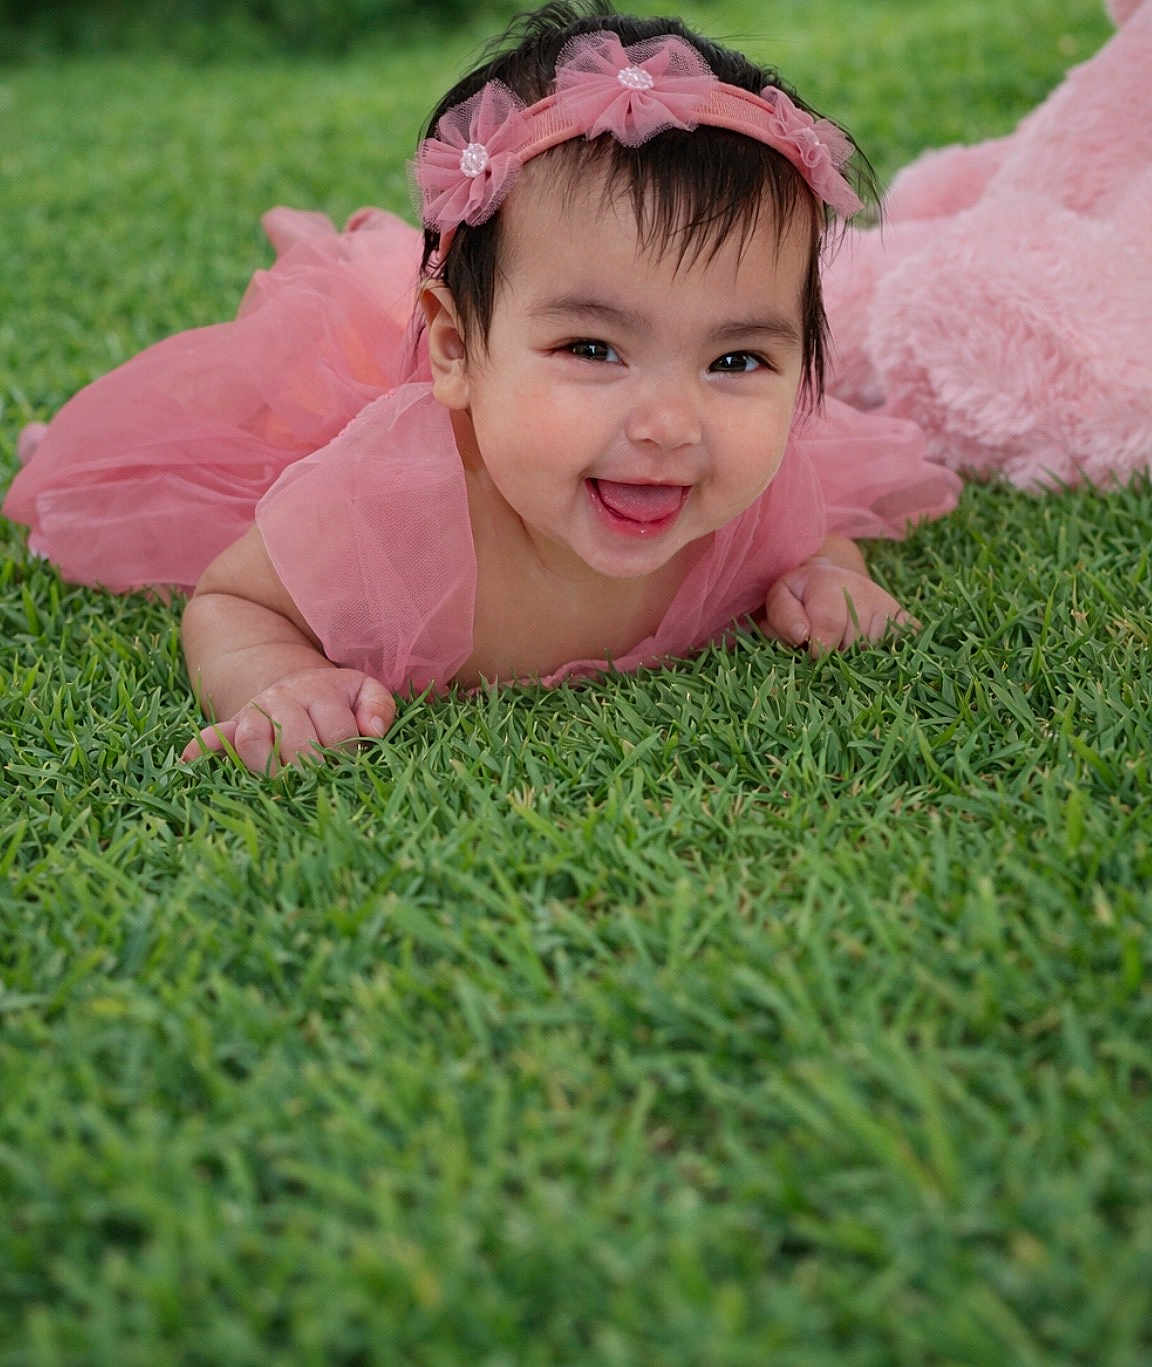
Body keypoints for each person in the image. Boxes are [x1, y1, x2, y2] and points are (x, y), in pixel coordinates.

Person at [3, 0, 961, 774]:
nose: (672, 425)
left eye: (737, 361)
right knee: (228, 459)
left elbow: (806, 519)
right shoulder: (381, 505)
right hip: (377, 447)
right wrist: (279, 676)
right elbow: (232, 603)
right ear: (455, 349)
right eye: (592, 349)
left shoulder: (753, 479)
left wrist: (833, 572)